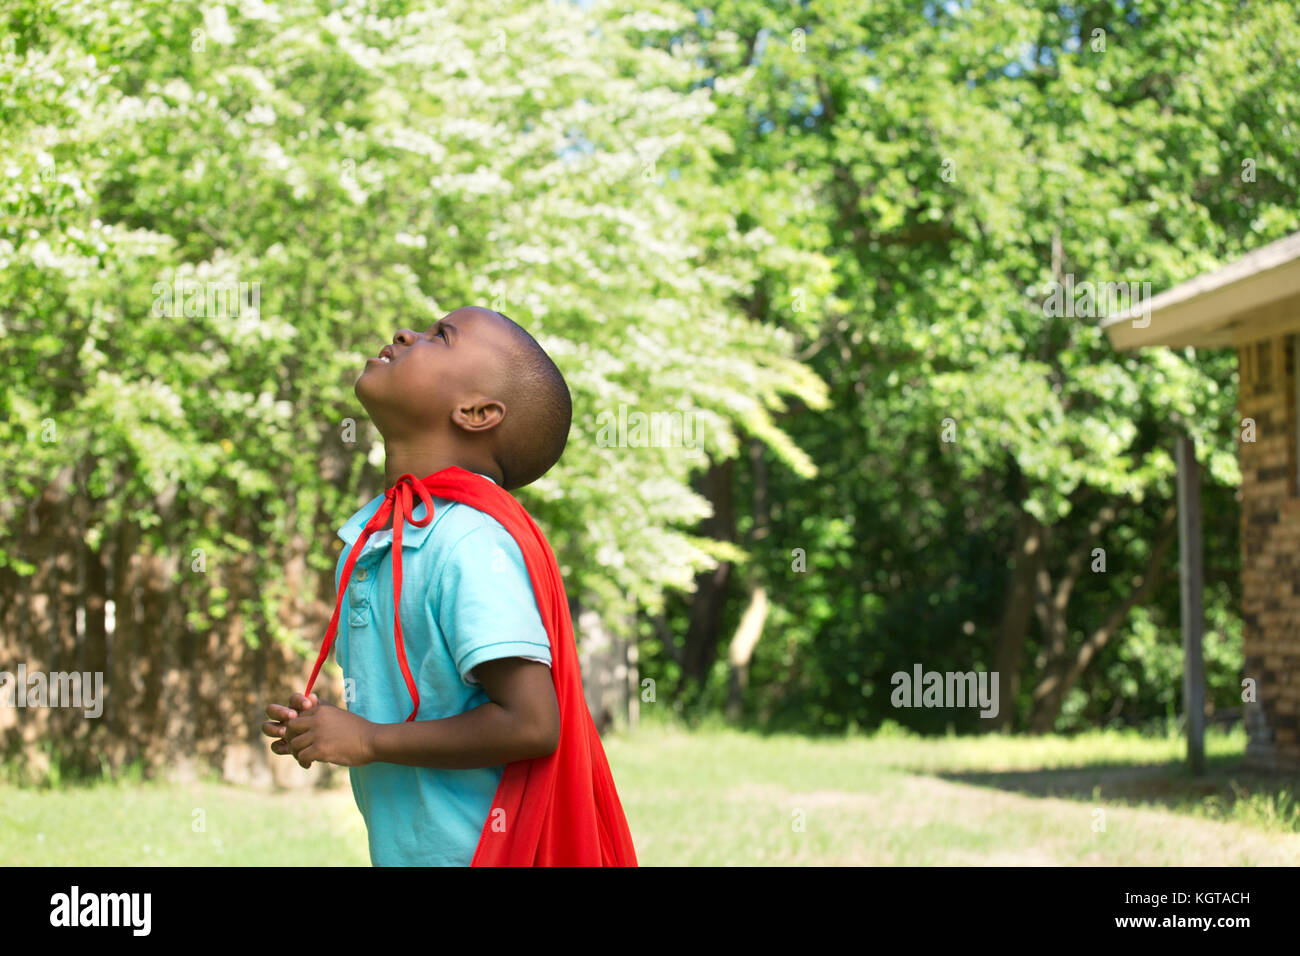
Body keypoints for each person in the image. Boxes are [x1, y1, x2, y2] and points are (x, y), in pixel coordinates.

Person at [261, 306, 637, 866]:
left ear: (477, 412)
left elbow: (531, 723)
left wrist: (368, 740)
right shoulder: (380, 535)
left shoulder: (467, 542)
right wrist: (326, 730)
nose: (404, 334)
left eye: (440, 336)